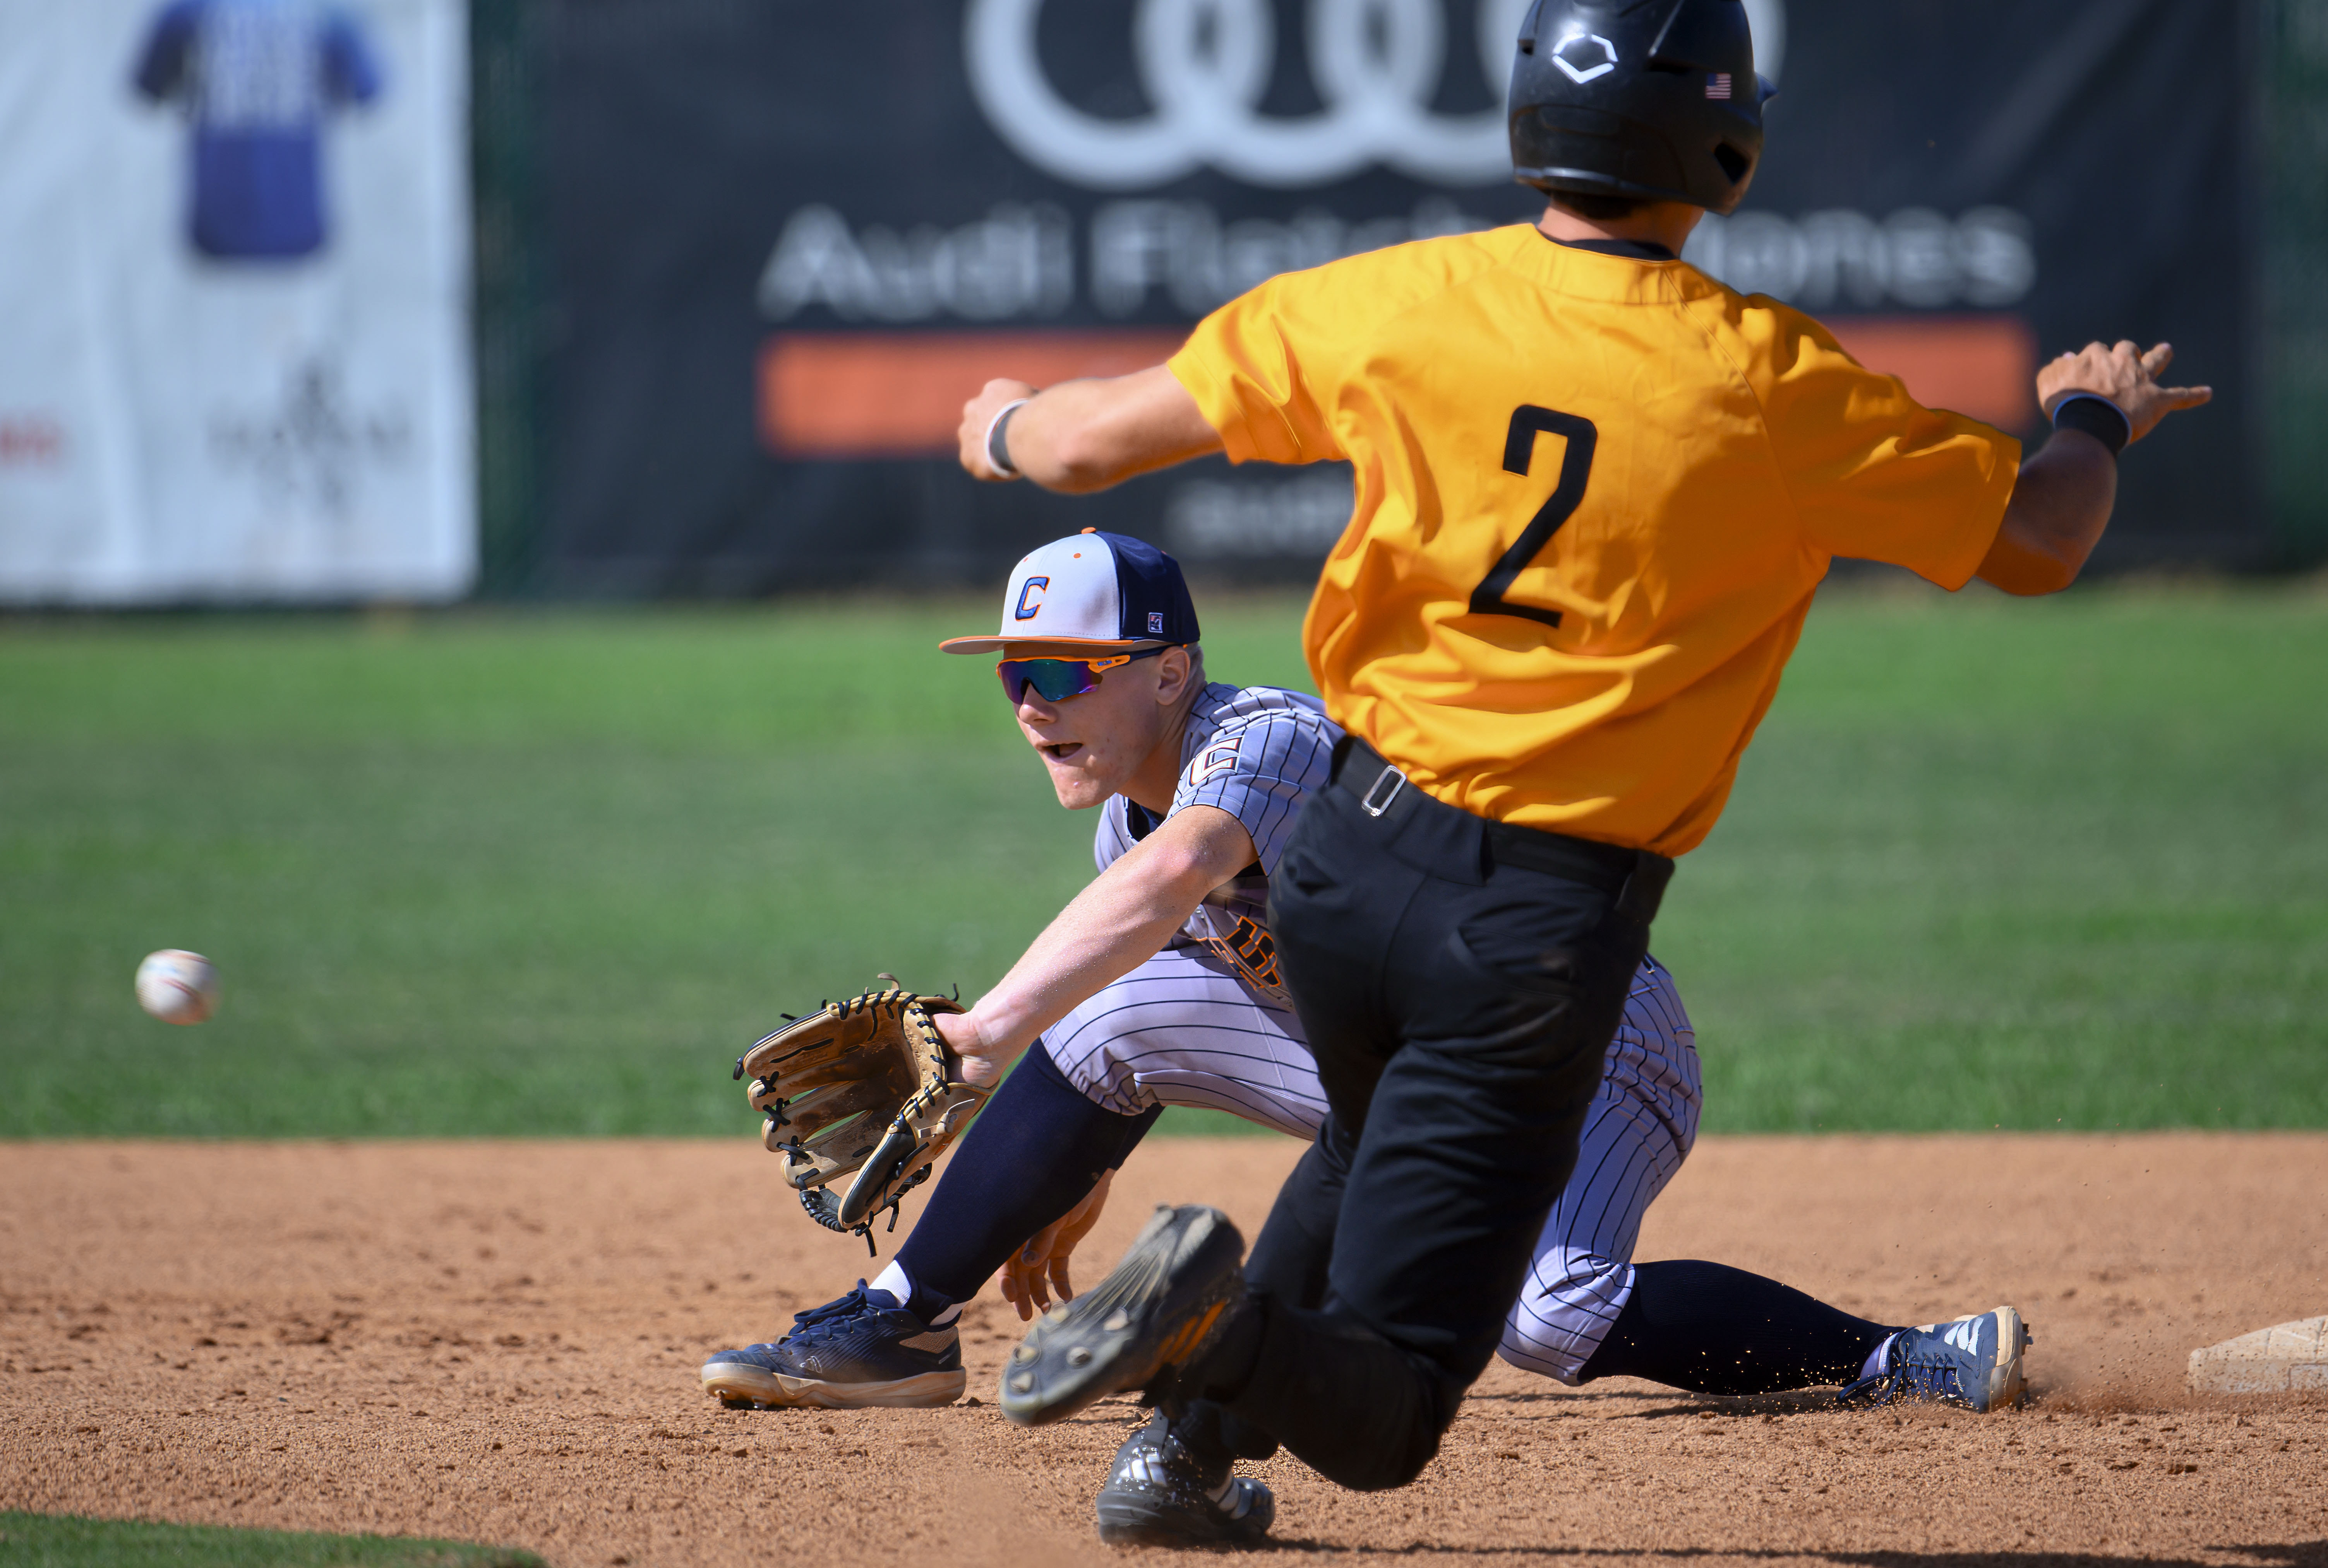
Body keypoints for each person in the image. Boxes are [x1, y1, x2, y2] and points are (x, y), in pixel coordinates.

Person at [951, 0, 2208, 1506]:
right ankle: (1203, 1337)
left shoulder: (1401, 298)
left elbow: (1086, 448)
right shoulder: (1765, 378)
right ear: (1725, 148)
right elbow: (2039, 536)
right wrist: (2089, 414)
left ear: (1528, 123)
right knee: (1398, 1401)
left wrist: (1007, 422)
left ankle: (1185, 1457)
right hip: (1534, 921)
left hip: (1341, 854)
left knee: (1364, 1136)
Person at [701, 531, 2032, 1547]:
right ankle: (899, 1322)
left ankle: (1894, 1354)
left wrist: (987, 1029)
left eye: (1062, 674)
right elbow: (1146, 973)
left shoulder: (1267, 743)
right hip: (1397, 1071)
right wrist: (1069, 1168)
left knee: (1552, 1315)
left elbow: (1173, 889)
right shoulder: (1129, 819)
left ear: (1168, 672)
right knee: (1103, 1020)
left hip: (1587, 1040)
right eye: (1011, 675)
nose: (1030, 703)